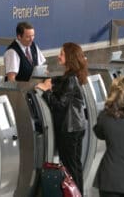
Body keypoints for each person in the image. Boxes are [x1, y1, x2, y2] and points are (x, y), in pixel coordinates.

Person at [36, 42, 88, 194]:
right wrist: (51, 81)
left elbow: (59, 105)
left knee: (70, 169)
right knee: (76, 167)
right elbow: (62, 84)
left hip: (69, 129)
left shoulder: (70, 79)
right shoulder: (73, 76)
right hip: (77, 126)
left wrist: (45, 91)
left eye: (62, 54)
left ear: (70, 57)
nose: (58, 56)